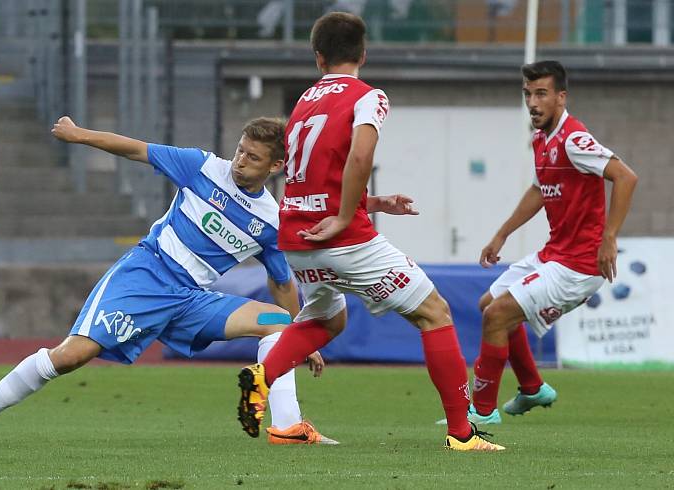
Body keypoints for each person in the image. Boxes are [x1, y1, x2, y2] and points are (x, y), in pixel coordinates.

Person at [0, 116, 344, 445]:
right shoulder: (202, 167)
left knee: (276, 323)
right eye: (240, 150)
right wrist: (79, 135)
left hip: (193, 300)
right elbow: (135, 149)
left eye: (253, 157)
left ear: (276, 166)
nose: (240, 161)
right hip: (146, 276)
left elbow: (281, 283)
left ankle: (287, 427)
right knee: (71, 356)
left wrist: (300, 335)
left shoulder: (270, 222)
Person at [235, 12, 504, 451]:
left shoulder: (304, 100)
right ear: (363, 53)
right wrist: (346, 217)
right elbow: (360, 158)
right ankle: (462, 434)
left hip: (297, 237)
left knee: (327, 318)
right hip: (341, 237)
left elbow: (313, 174)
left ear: (318, 57)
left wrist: (373, 203)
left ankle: (263, 378)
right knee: (434, 313)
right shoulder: (368, 97)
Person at [468, 60, 637, 424]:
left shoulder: (574, 139)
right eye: (528, 94)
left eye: (541, 94)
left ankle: (480, 415)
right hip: (555, 253)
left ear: (561, 97)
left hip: (579, 265)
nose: (533, 102)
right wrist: (502, 233)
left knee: (497, 316)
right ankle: (531, 387)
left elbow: (626, 177)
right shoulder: (541, 138)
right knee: (489, 304)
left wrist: (609, 238)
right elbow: (538, 190)